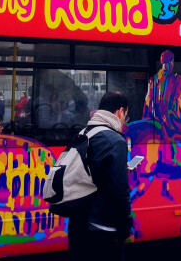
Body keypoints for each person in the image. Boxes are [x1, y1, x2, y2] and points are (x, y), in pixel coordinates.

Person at [66, 90, 132, 261]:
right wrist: (125, 226)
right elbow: (119, 191)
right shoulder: (115, 141)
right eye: (126, 115)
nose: (124, 120)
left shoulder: (84, 133)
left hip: (78, 223)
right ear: (120, 112)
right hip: (103, 229)